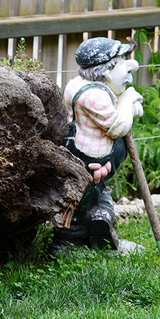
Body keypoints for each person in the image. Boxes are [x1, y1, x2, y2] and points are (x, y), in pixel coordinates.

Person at [52, 37, 144, 254]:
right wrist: (129, 100)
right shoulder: (92, 95)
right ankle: (69, 243)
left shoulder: (85, 84)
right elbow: (118, 126)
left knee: (98, 198)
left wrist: (128, 102)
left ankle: (100, 232)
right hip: (89, 161)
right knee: (81, 201)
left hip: (96, 159)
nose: (128, 67)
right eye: (121, 62)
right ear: (107, 71)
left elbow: (115, 98)